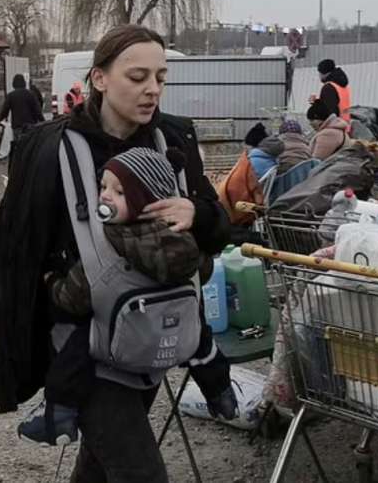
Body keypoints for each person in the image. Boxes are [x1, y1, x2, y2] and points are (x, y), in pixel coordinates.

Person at [0, 24, 234, 482]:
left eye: (160, 77)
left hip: (147, 335)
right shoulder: (49, 147)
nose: (152, 90)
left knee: (100, 462)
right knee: (140, 472)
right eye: (137, 77)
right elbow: (5, 240)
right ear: (99, 79)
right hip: (80, 348)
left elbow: (217, 231)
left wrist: (199, 212)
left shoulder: (173, 139)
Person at [18, 146, 230, 445]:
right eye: (103, 186)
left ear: (145, 201)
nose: (104, 195)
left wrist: (52, 279)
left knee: (77, 343)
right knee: (200, 332)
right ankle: (220, 392)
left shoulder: (108, 244)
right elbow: (203, 272)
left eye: (118, 192)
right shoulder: (184, 237)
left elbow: (74, 297)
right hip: (174, 338)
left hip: (121, 348)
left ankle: (60, 414)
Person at [0, 74, 44, 140]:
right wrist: (43, 121)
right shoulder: (31, 94)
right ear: (24, 83)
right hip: (30, 126)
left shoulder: (11, 96)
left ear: (14, 84)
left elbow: (4, 111)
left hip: (17, 126)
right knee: (30, 145)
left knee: (18, 146)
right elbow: (37, 111)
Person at [311, 59, 351, 124]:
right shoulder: (342, 85)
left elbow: (328, 111)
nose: (319, 75)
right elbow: (337, 104)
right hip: (345, 124)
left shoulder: (328, 88)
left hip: (334, 127)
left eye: (319, 73)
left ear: (325, 73)